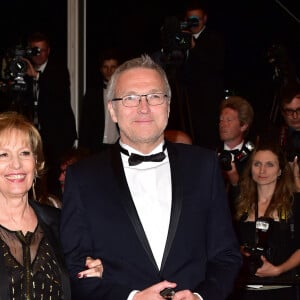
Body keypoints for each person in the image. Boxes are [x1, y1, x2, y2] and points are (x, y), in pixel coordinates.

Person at [60, 54, 242, 300]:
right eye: (130, 98)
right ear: (112, 110)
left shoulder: (204, 166)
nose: (143, 107)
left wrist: (201, 297)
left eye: (154, 96)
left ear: (168, 105)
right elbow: (75, 267)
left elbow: (226, 256)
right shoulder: (82, 177)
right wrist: (131, 298)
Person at [0, 111, 101, 299]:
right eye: (3, 155)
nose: (16, 165)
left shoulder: (60, 223)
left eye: (24, 153)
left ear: (36, 162)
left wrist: (93, 272)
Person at [230, 142, 300, 299]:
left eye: (270, 164)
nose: (262, 170)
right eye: (257, 164)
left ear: (280, 170)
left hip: (283, 287)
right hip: (243, 289)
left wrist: (279, 269)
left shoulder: (294, 203)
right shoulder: (238, 203)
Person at [23, 31, 77, 199]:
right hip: (35, 133)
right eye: (35, 50)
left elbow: (57, 94)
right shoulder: (24, 72)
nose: (38, 54)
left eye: (42, 50)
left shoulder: (58, 70)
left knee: (56, 178)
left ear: (49, 51)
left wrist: (36, 76)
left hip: (57, 135)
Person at [180, 0, 225, 149]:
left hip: (208, 106)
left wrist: (194, 47)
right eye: (189, 20)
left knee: (208, 144)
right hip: (186, 105)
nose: (193, 23)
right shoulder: (181, 39)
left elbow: (216, 66)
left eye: (196, 19)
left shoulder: (214, 38)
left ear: (204, 19)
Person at [78, 48, 121, 153]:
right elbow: (85, 124)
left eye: (113, 67)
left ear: (118, 68)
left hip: (119, 146)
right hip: (96, 148)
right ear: (101, 69)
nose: (109, 71)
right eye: (106, 67)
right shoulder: (92, 94)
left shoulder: (125, 92)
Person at [217, 96, 255, 207]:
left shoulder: (254, 157)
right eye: (221, 120)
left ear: (243, 126)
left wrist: (235, 180)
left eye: (228, 120)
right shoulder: (210, 153)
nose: (222, 124)